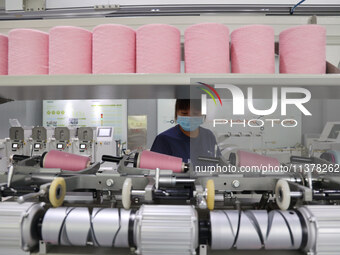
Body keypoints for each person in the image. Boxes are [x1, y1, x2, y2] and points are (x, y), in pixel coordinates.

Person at [151, 99, 220, 167]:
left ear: (203, 115)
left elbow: (218, 164)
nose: (189, 118)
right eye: (184, 113)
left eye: (195, 114)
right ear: (176, 114)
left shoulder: (208, 136)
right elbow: (153, 171)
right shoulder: (164, 139)